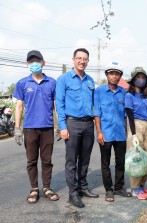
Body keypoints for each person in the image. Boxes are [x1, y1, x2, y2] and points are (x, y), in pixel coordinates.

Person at [13, 50, 59, 204]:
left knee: (47, 160)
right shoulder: (22, 83)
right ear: (27, 64)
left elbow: (56, 106)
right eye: (31, 61)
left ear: (43, 62)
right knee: (31, 161)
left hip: (47, 127)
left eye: (37, 61)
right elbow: (19, 107)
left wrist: (58, 126)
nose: (34, 64)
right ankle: (34, 189)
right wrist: (17, 128)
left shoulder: (52, 82)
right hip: (30, 128)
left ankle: (47, 187)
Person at [56, 48, 98, 208]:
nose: (82, 61)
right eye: (79, 58)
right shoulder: (64, 79)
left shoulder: (90, 80)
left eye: (85, 59)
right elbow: (59, 104)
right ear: (73, 59)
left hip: (88, 124)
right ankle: (73, 193)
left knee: (85, 158)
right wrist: (62, 127)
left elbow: (94, 103)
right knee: (71, 160)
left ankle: (83, 187)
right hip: (71, 123)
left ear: (88, 61)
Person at [94, 61, 131, 202]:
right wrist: (99, 132)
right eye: (111, 73)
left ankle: (119, 187)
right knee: (105, 163)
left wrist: (127, 132)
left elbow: (126, 115)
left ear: (120, 76)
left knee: (121, 162)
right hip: (106, 133)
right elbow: (96, 113)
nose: (114, 76)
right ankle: (108, 190)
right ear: (107, 75)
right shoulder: (99, 92)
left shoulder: (124, 93)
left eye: (117, 74)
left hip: (120, 133)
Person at [125, 67, 147, 200]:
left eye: (143, 77)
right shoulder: (129, 96)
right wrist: (134, 134)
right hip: (135, 125)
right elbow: (130, 116)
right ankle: (135, 188)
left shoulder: (144, 96)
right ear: (133, 80)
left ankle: (142, 185)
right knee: (137, 158)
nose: (141, 80)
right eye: (138, 77)